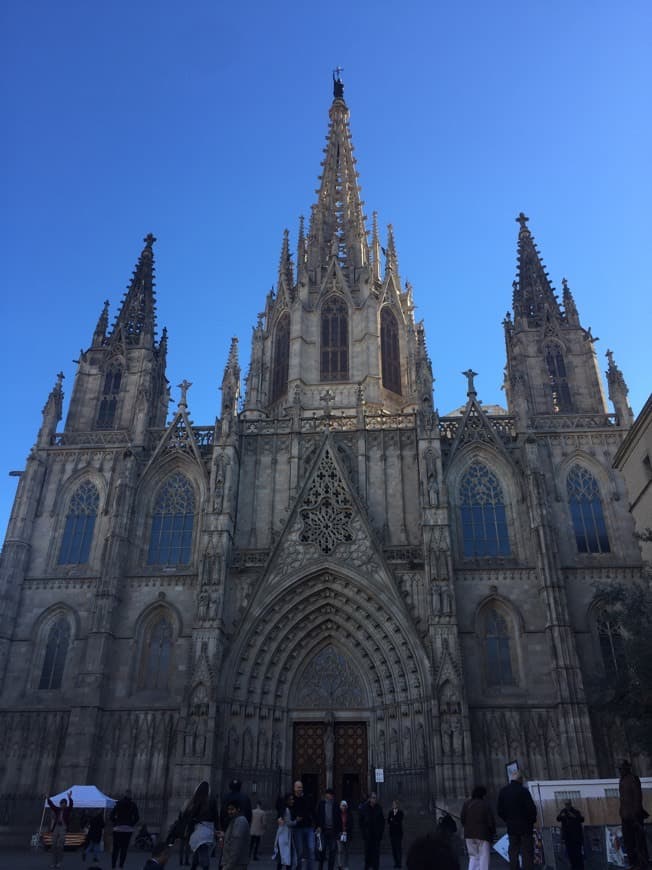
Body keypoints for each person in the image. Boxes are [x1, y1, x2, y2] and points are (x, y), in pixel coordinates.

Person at [497, 771, 537, 870]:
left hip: (512, 827)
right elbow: (531, 809)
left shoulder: (503, 791)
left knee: (513, 851)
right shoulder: (524, 791)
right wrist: (531, 821)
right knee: (526, 852)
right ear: (520, 779)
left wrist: (507, 820)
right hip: (525, 827)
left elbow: (499, 810)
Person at [619, 760, 650, 870]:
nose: (620, 771)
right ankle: (633, 863)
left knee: (639, 842)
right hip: (625, 816)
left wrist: (636, 813)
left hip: (634, 816)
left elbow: (637, 797)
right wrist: (621, 812)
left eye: (622, 768)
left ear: (627, 769)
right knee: (629, 841)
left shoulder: (633, 779)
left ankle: (642, 864)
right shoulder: (622, 780)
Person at [461, 786, 495, 870]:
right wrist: (493, 832)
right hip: (483, 834)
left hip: (469, 834)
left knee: (473, 857)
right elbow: (490, 820)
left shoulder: (466, 804)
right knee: (484, 857)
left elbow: (462, 818)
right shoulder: (485, 804)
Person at [111, 789, 140, 870]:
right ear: (131, 795)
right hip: (128, 829)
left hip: (118, 828)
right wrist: (131, 824)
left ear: (124, 794)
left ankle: (113, 866)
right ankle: (121, 866)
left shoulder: (119, 803)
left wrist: (115, 822)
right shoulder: (133, 805)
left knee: (116, 848)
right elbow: (137, 817)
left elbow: (111, 815)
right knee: (124, 849)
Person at [291, 780, 316, 870]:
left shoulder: (307, 798)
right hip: (297, 828)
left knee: (311, 849)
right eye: (298, 787)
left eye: (301, 787)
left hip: (309, 827)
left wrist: (317, 825)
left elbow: (313, 810)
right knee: (300, 851)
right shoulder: (292, 799)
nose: (300, 789)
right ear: (294, 788)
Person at [46, 790, 74, 870]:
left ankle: (59, 862)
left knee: (60, 846)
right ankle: (53, 862)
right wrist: (48, 798)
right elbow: (51, 805)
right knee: (54, 845)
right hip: (57, 827)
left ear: (65, 805)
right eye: (62, 804)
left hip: (63, 827)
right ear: (60, 804)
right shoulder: (57, 810)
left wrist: (69, 798)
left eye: (64, 804)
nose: (62, 805)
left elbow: (71, 805)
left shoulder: (67, 810)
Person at [220, 801, 250, 870]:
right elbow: (234, 838)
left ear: (238, 809)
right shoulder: (235, 820)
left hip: (235, 864)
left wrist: (228, 866)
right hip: (234, 863)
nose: (229, 812)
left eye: (232, 809)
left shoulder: (240, 821)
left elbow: (236, 845)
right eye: (228, 809)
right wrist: (225, 835)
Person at [316, 788, 342, 870]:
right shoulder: (321, 804)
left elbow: (338, 818)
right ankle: (320, 867)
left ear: (332, 796)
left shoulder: (336, 804)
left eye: (330, 795)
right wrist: (318, 826)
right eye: (327, 794)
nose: (328, 796)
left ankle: (330, 868)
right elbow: (318, 815)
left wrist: (340, 831)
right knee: (322, 850)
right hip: (323, 830)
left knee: (332, 851)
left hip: (333, 831)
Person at [556, 800, 584, 870]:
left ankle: (579, 867)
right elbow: (558, 819)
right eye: (566, 804)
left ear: (570, 804)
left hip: (576, 837)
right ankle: (573, 867)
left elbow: (581, 819)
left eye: (568, 804)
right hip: (568, 837)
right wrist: (561, 816)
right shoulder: (563, 811)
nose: (567, 806)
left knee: (578, 854)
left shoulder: (575, 812)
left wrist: (574, 816)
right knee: (570, 854)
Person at [359, 792, 384, 870]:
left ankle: (375, 867)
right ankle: (367, 867)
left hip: (376, 835)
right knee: (367, 853)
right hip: (367, 835)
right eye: (372, 798)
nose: (374, 799)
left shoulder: (379, 808)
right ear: (369, 799)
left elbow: (382, 822)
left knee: (376, 853)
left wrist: (380, 833)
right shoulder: (364, 808)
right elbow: (361, 821)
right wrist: (363, 832)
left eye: (375, 798)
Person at [273, 793, 296, 870]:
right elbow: (289, 823)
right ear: (287, 801)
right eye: (291, 799)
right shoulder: (287, 810)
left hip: (282, 835)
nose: (293, 801)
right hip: (286, 835)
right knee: (287, 857)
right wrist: (297, 821)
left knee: (282, 857)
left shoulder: (283, 810)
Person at [387, 799, 404, 869]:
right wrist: (393, 821)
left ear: (397, 805)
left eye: (395, 804)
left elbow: (399, 821)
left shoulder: (400, 812)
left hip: (398, 833)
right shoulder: (390, 812)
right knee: (394, 849)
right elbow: (388, 821)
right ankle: (396, 863)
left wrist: (392, 820)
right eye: (393, 804)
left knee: (398, 849)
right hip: (392, 833)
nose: (394, 805)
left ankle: (399, 863)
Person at [337, 800, 353, 870]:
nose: (343, 807)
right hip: (340, 834)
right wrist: (339, 831)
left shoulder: (349, 814)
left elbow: (351, 824)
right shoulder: (337, 814)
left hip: (347, 834)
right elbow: (336, 823)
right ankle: (340, 865)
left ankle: (346, 865)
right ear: (340, 806)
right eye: (342, 805)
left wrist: (347, 829)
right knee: (340, 850)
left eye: (345, 806)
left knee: (347, 851)